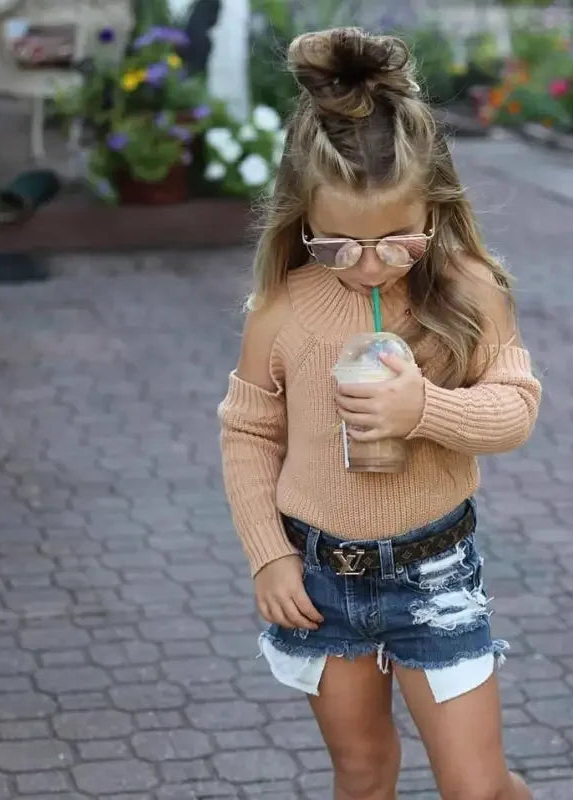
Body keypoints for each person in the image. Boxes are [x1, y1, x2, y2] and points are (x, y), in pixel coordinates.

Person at [218, 27, 541, 800]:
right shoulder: (282, 307)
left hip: (434, 573)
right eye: (337, 245)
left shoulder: (464, 291)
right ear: (301, 219)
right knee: (361, 773)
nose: (367, 265)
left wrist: (419, 407)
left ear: (435, 206)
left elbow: (514, 409)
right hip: (321, 578)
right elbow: (248, 432)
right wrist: (269, 553)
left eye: (396, 240)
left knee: (475, 785)